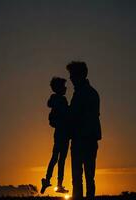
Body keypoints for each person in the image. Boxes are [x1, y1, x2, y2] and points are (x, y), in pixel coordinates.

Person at [66, 61, 102, 200]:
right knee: (86, 177)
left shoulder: (84, 94)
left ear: (80, 75)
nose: (70, 78)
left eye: (72, 75)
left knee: (81, 177)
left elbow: (76, 116)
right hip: (86, 139)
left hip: (83, 139)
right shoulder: (90, 93)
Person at [40, 77, 70, 194]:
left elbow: (52, 119)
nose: (66, 88)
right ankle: (59, 184)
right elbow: (67, 116)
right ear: (59, 88)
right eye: (64, 86)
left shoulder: (54, 101)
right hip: (64, 133)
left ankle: (47, 180)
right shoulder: (62, 101)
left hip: (58, 133)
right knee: (61, 159)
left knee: (54, 158)